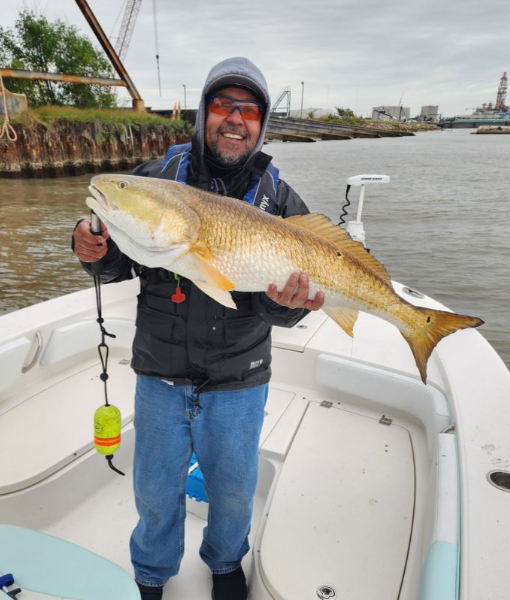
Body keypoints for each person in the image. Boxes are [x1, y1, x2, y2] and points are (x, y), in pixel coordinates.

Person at [73, 57, 323, 600]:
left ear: (261, 124)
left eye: (248, 110)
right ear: (201, 113)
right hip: (161, 372)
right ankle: (151, 572)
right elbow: (114, 263)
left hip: (240, 377)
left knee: (234, 492)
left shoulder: (279, 199)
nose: (235, 119)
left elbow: (288, 311)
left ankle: (226, 564)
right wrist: (89, 246)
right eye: (222, 105)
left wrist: (288, 304)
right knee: (156, 491)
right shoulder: (157, 180)